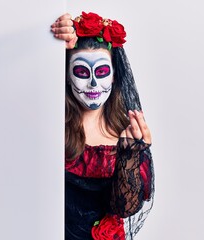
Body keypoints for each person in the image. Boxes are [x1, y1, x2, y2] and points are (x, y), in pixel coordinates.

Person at [51, 12, 155, 240]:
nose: (93, 83)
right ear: (67, 75)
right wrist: (46, 34)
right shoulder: (49, 126)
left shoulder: (125, 132)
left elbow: (125, 209)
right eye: (81, 72)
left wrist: (131, 155)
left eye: (101, 72)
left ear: (115, 76)